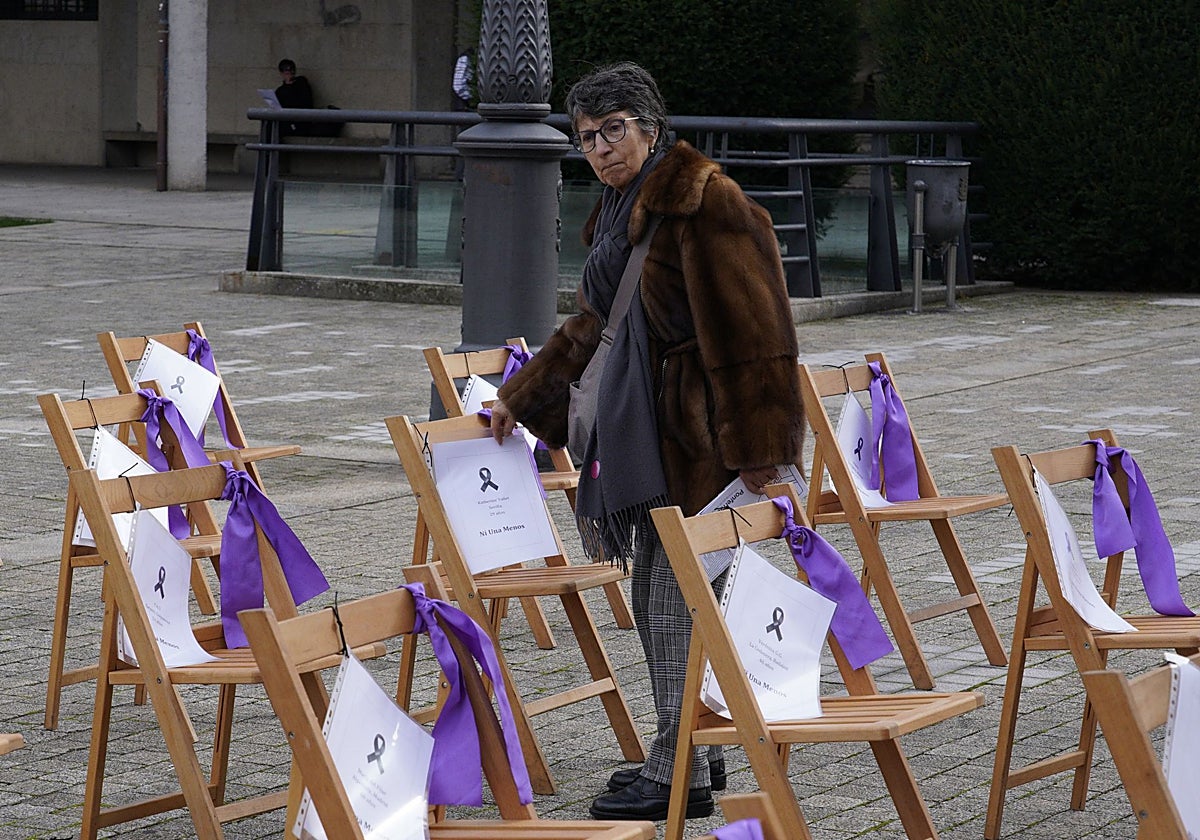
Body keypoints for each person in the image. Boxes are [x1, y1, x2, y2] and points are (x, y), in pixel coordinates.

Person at [488, 62, 803, 822]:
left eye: (614, 131)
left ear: (651, 129)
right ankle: (696, 751)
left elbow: (759, 334)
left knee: (675, 602)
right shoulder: (620, 208)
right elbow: (597, 327)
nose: (600, 148)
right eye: (587, 137)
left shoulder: (707, 203)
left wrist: (762, 456)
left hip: (706, 441)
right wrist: (522, 398)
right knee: (662, 595)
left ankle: (676, 767)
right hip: (653, 439)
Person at [275, 58, 314, 136]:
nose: (290, 74)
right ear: (282, 73)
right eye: (287, 72)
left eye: (292, 71)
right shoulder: (280, 91)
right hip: (285, 119)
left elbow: (306, 103)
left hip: (299, 120)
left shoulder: (302, 85)